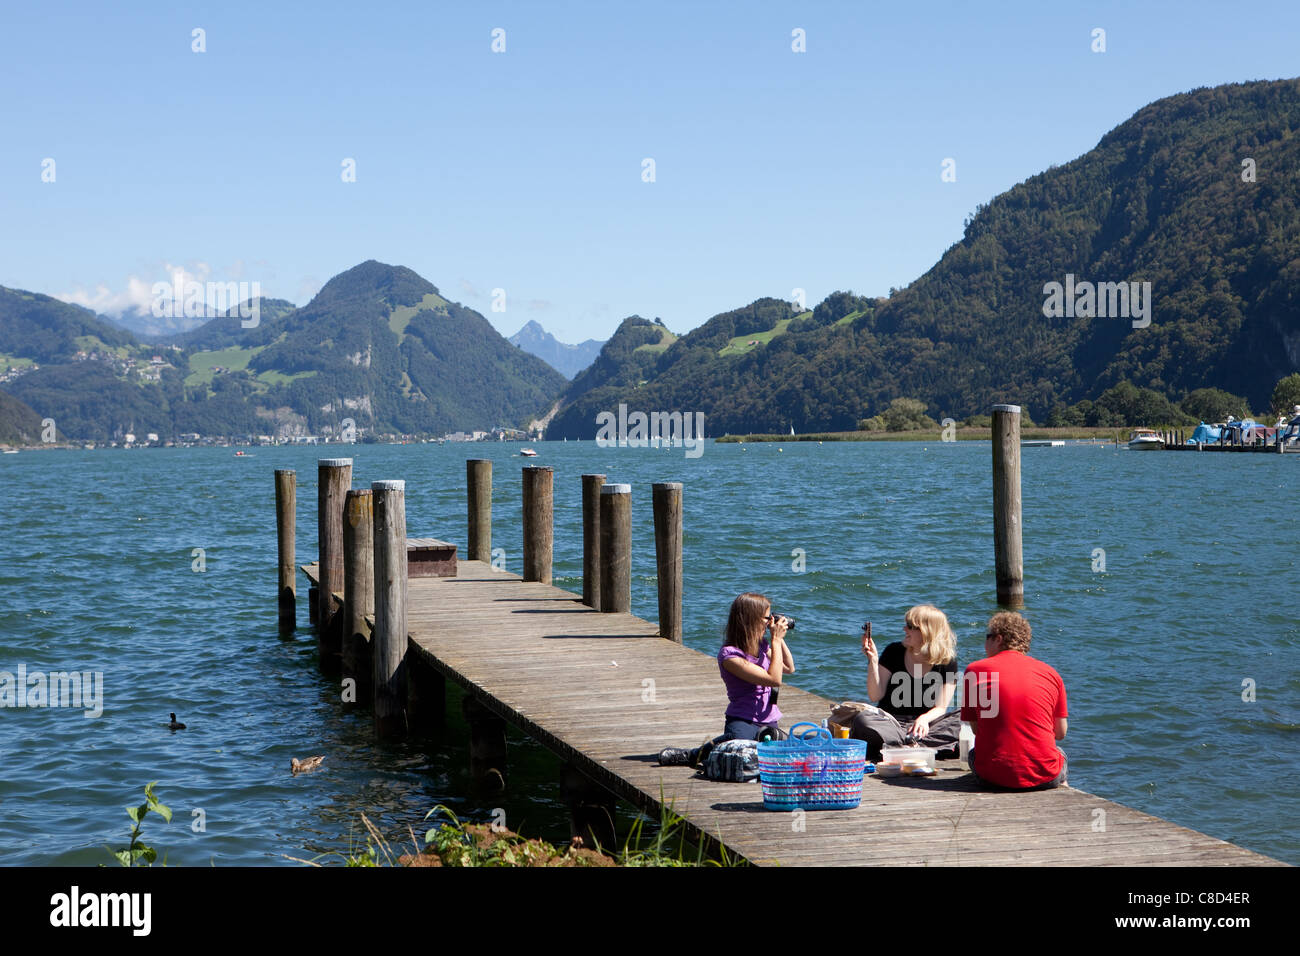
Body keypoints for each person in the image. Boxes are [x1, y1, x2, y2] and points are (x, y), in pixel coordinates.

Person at [658, 591, 793, 766]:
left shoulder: (762, 646)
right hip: (743, 719)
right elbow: (774, 679)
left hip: (769, 720)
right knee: (741, 753)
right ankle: (693, 755)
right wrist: (775, 640)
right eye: (767, 618)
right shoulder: (730, 655)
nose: (770, 623)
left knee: (775, 759)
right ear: (751, 619)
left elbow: (789, 668)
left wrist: (779, 640)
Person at [960, 611, 1068, 790]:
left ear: (998, 639)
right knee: (1059, 754)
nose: (984, 643)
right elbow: (1060, 733)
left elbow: (977, 729)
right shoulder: (1051, 674)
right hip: (1045, 775)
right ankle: (1062, 789)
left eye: (987, 637)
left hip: (992, 776)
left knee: (973, 754)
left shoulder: (974, 671)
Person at [850, 605, 960, 760]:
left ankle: (902, 747)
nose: (904, 629)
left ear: (925, 631)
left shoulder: (947, 661)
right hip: (892, 724)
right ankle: (918, 747)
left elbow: (941, 707)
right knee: (863, 720)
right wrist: (873, 660)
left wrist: (924, 719)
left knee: (964, 718)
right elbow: (875, 696)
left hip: (926, 726)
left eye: (910, 626)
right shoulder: (893, 651)